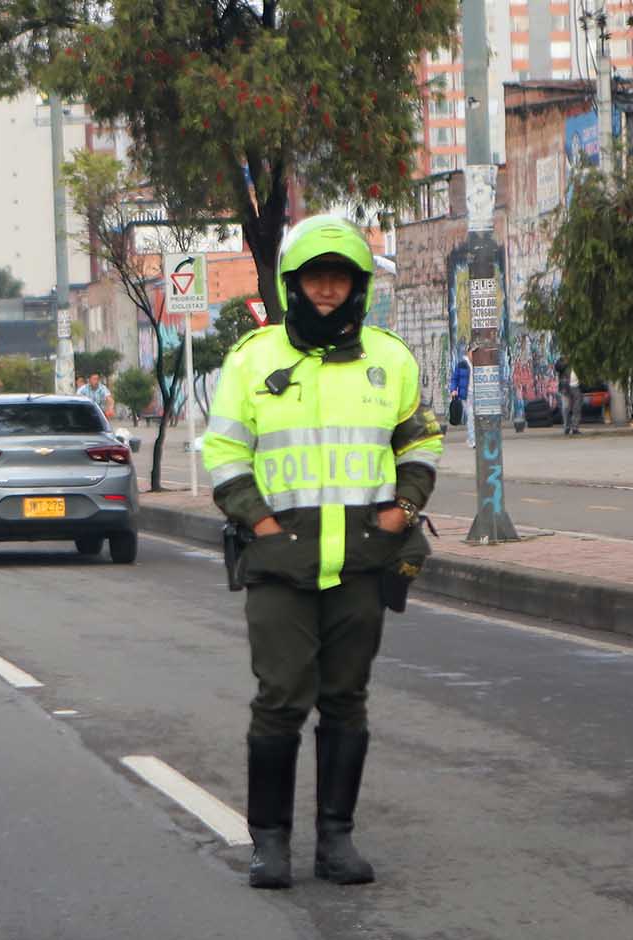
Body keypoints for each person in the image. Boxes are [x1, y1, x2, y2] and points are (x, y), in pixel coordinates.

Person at [203, 215, 444, 890]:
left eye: (339, 277)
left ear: (357, 284)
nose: (328, 289)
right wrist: (262, 524)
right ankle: (269, 844)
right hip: (280, 563)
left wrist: (403, 508)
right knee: (280, 698)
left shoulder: (388, 358)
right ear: (294, 284)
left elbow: (419, 442)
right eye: (316, 277)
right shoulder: (252, 359)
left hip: (363, 562)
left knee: (346, 700)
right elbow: (223, 453)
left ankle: (335, 841)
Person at [448, 352, 474, 448]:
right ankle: (472, 440)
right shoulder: (462, 365)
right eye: (472, 352)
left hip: (478, 394)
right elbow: (454, 378)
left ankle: (474, 438)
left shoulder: (479, 364)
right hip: (466, 395)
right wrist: (453, 389)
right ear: (468, 353)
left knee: (477, 417)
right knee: (471, 416)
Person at [556, 356, 582, 436]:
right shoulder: (562, 359)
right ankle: (567, 427)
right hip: (565, 386)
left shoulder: (578, 357)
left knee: (576, 407)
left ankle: (575, 428)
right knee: (566, 407)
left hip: (576, 386)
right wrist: (566, 361)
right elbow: (558, 367)